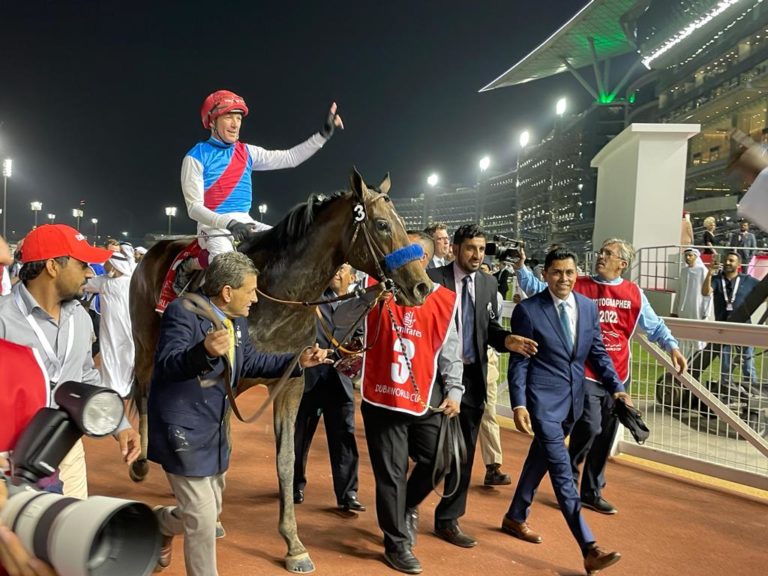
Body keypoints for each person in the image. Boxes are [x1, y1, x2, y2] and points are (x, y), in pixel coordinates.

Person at [148, 252, 331, 576]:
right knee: (204, 520)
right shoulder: (183, 312)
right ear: (227, 292)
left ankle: (161, 522)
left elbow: (251, 362)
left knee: (208, 509)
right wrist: (201, 352)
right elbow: (166, 366)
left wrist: (297, 360)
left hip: (214, 431)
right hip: (183, 430)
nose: (255, 299)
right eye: (250, 291)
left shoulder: (237, 320)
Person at [514, 238, 686, 514]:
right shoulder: (577, 283)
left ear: (623, 264)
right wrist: (522, 270)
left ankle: (592, 491)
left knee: (605, 434)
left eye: (608, 253)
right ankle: (567, 483)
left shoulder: (634, 294)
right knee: (590, 426)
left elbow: (654, 325)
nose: (601, 256)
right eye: (601, 251)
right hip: (584, 373)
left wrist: (672, 347)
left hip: (617, 375)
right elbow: (539, 289)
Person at [502, 248, 629, 575]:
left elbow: (598, 354)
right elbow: (519, 363)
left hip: (574, 400)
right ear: (544, 274)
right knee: (561, 469)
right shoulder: (528, 311)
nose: (564, 279)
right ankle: (589, 548)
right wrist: (518, 403)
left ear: (576, 273)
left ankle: (515, 517)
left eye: (569, 272)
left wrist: (616, 387)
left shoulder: (587, 308)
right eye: (557, 272)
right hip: (542, 402)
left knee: (540, 459)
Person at [0, 224, 141, 500]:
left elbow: (87, 376)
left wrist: (119, 424)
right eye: (82, 264)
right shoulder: (3, 318)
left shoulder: (81, 316)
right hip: (12, 455)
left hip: (67, 444)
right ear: (53, 266)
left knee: (68, 536)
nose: (90, 272)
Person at [428, 224, 538, 548]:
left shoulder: (489, 284)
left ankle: (448, 519)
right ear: (456, 249)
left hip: (473, 379)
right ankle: (405, 506)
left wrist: (507, 339)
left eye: (481, 248)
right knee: (429, 450)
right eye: (470, 248)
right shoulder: (434, 281)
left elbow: (487, 328)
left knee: (464, 454)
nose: (477, 255)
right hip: (434, 379)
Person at [360, 230, 463, 574]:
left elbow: (450, 352)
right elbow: (346, 322)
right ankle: (396, 543)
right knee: (390, 474)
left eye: (413, 255)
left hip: (425, 396)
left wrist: (454, 391)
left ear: (426, 261)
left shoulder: (444, 300)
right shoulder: (375, 289)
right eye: (400, 254)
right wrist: (368, 297)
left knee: (439, 460)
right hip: (383, 397)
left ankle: (406, 507)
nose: (405, 261)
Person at [181, 90, 344, 267]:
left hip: (245, 221)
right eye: (229, 117)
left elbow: (290, 158)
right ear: (212, 121)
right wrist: (229, 223)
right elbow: (193, 208)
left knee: (294, 245)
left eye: (239, 118)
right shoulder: (195, 156)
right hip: (212, 227)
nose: (235, 124)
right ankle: (191, 265)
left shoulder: (248, 152)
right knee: (227, 265)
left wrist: (322, 136)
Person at [293, 263, 365, 512]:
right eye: (334, 266)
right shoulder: (310, 298)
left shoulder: (358, 304)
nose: (337, 271)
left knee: (344, 436)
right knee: (299, 436)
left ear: (353, 277)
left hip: (340, 381)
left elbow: (360, 340)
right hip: (308, 378)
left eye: (344, 268)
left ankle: (348, 495)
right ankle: (294, 484)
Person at [702, 251, 760, 388]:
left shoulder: (748, 280)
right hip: (723, 329)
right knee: (725, 364)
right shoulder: (716, 279)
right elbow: (705, 292)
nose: (727, 262)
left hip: (744, 327)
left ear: (739, 264)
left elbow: (763, 292)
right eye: (726, 260)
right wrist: (710, 273)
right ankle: (726, 391)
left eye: (731, 260)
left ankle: (752, 391)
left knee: (747, 362)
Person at [82, 252, 134, 398]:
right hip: (109, 328)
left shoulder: (131, 282)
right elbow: (84, 285)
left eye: (108, 264)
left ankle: (124, 386)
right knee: (109, 355)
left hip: (127, 328)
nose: (105, 266)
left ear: (115, 266)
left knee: (126, 356)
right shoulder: (102, 281)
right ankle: (111, 386)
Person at [671, 248, 711, 358]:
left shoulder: (703, 271)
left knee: (697, 336)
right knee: (683, 335)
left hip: (697, 309)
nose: (688, 257)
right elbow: (679, 292)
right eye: (686, 255)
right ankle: (683, 360)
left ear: (696, 257)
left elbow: (708, 294)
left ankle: (697, 360)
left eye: (690, 255)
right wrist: (675, 311)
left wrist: (706, 312)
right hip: (683, 310)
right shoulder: (683, 271)